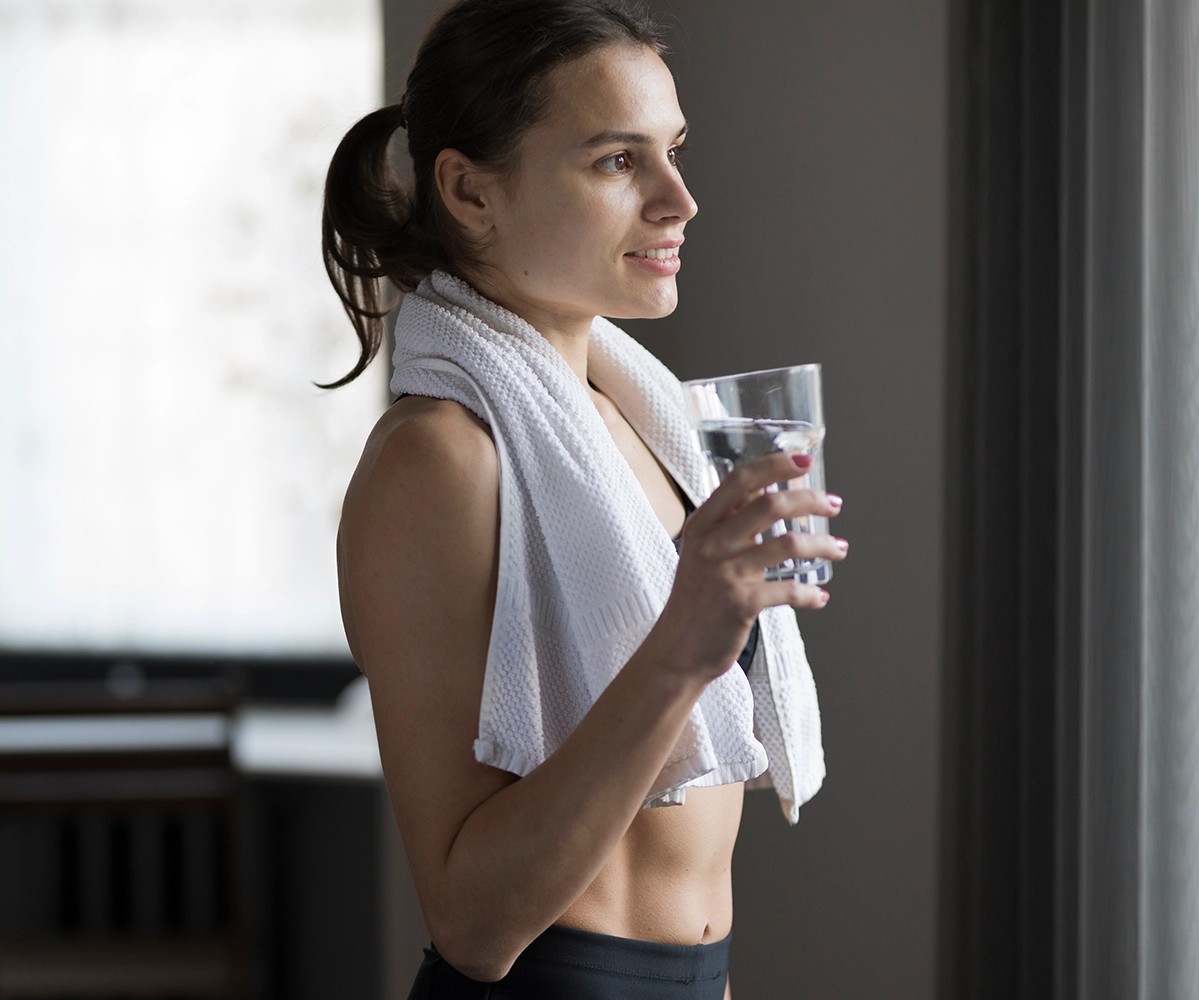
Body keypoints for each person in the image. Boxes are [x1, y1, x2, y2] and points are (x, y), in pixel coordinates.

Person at [322, 2, 847, 996]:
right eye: (617, 161)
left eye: (673, 150)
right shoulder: (437, 462)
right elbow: (472, 924)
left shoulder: (635, 423)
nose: (678, 199)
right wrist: (687, 638)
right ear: (470, 192)